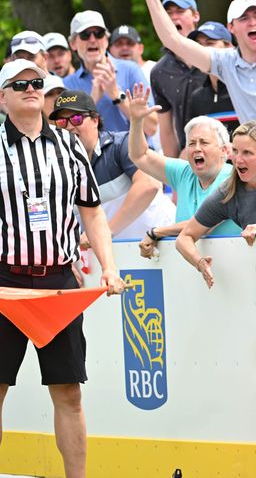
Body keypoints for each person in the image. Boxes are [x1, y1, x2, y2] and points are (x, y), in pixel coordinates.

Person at [0, 59, 124, 478]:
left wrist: (109, 267)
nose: (31, 88)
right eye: (20, 84)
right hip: (5, 283)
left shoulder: (70, 145)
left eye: (37, 82)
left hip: (58, 282)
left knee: (69, 393)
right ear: (3, 97)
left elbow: (92, 214)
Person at [139, 0, 256, 154]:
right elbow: (173, 40)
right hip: (254, 163)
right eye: (244, 18)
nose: (252, 22)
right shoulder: (226, 62)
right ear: (232, 27)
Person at [176, 121, 256, 288]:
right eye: (235, 151)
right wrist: (200, 262)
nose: (238, 160)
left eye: (247, 153)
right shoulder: (228, 192)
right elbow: (184, 238)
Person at [127, 85, 240, 259]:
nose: (197, 149)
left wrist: (157, 232)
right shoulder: (184, 172)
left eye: (204, 142)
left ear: (224, 151)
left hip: (235, 264)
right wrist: (136, 121)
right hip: (191, 270)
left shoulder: (232, 177)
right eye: (192, 143)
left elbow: (202, 225)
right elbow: (139, 155)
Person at [48, 90, 174, 240]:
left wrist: (105, 232)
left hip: (164, 245)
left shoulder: (123, 144)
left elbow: (149, 184)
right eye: (62, 122)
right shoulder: (58, 167)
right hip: (117, 255)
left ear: (95, 120)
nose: (68, 127)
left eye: (76, 119)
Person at [63, 10, 157, 136]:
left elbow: (151, 128)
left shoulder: (131, 70)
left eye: (98, 34)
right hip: (93, 155)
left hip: (132, 154)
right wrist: (92, 101)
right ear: (73, 44)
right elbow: (68, 135)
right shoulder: (67, 84)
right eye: (85, 35)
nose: (92, 39)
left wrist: (117, 95)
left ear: (106, 40)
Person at [148, 0, 206, 157]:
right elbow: (166, 131)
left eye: (180, 11)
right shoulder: (159, 72)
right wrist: (174, 173)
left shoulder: (214, 57)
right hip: (188, 158)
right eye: (168, 13)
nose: (174, 17)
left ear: (196, 16)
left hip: (229, 153)